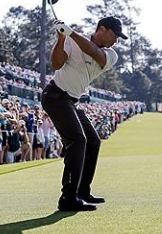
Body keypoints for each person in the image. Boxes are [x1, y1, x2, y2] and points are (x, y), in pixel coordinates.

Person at [42, 16, 127, 211]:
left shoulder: (110, 54)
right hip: (55, 96)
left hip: (71, 101)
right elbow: (56, 64)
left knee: (93, 141)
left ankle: (82, 191)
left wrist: (70, 32)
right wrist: (62, 38)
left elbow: (93, 51)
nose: (117, 41)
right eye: (115, 35)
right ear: (102, 29)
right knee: (78, 140)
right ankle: (68, 197)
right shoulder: (71, 40)